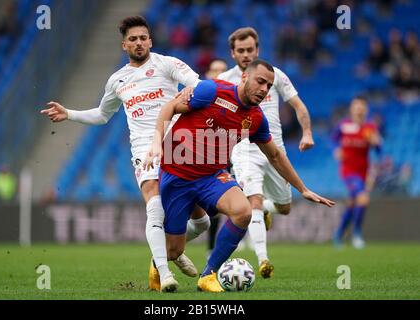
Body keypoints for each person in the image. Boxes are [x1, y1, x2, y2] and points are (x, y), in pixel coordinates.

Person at [40, 16, 211, 292]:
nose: (139, 42)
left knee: (202, 221)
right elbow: (102, 114)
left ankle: (169, 252)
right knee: (154, 207)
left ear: (151, 41)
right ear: (124, 45)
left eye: (143, 37)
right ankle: (165, 274)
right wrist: (69, 113)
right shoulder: (117, 80)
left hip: (180, 148)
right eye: (133, 39)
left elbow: (197, 84)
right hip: (145, 149)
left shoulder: (167, 64)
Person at [143, 59, 335, 292]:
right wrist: (156, 143)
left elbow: (275, 155)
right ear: (245, 78)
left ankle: (209, 275)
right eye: (260, 81)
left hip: (211, 176)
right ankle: (159, 260)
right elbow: (170, 107)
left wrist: (302, 189)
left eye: (268, 86)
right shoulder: (211, 91)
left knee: (243, 212)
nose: (264, 89)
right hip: (177, 175)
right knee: (174, 251)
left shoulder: (255, 119)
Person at [217, 27, 315, 278]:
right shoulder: (225, 80)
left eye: (250, 50)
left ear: (257, 50)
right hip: (243, 150)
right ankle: (263, 260)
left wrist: (307, 133)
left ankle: (269, 210)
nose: (246, 55)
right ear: (232, 53)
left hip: (274, 150)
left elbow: (298, 105)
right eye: (241, 51)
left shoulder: (276, 76)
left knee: (284, 207)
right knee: (254, 201)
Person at [332, 96, 381, 249]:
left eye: (361, 106)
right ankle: (356, 234)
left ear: (365, 109)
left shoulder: (370, 128)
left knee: (353, 203)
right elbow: (332, 139)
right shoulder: (344, 126)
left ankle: (338, 235)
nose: (359, 109)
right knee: (363, 198)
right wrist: (336, 149)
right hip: (348, 171)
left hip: (363, 171)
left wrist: (377, 143)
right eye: (356, 106)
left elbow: (379, 151)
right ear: (352, 109)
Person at [204, 58, 228, 258]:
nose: (218, 74)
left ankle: (212, 250)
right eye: (214, 70)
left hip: (227, 158)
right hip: (197, 159)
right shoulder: (197, 98)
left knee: (221, 207)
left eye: (223, 70)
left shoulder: (234, 100)